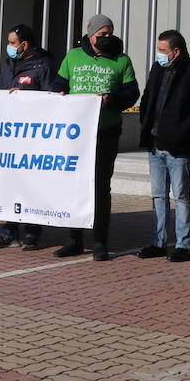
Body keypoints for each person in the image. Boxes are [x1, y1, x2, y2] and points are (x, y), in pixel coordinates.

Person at [53, 16, 139, 260]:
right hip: (76, 134)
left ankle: (100, 240)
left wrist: (111, 99)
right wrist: (59, 93)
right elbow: (59, 83)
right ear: (90, 34)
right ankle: (74, 239)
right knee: (75, 185)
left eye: (110, 32)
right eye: (102, 33)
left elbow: (132, 93)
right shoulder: (72, 56)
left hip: (106, 132)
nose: (107, 37)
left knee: (101, 187)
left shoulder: (122, 60)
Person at [0, 24, 60, 252]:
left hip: (32, 138)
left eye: (12, 43)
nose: (8, 47)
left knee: (30, 185)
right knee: (9, 185)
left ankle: (32, 233)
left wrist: (26, 100)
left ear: (24, 45)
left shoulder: (43, 66)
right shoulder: (8, 66)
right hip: (8, 137)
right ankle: (8, 232)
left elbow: (51, 99)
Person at [138, 29, 190, 262]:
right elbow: (149, 97)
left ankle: (182, 245)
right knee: (158, 196)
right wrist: (145, 122)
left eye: (163, 50)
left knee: (180, 195)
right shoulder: (157, 68)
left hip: (179, 146)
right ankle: (158, 242)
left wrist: (180, 131)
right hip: (155, 142)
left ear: (176, 51)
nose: (159, 54)